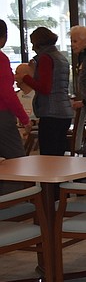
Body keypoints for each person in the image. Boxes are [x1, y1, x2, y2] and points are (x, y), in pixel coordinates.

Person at [16, 27, 74, 157]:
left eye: (33, 44)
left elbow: (44, 88)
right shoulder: (61, 58)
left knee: (48, 157)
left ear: (39, 43)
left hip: (51, 113)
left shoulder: (46, 58)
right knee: (58, 155)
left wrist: (25, 77)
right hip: (64, 112)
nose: (32, 48)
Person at [0, 19, 32, 193]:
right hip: (2, 117)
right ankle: (13, 206)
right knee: (16, 163)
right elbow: (6, 93)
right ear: (3, 38)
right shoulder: (1, 59)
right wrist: (24, 118)